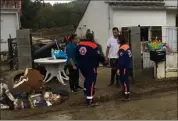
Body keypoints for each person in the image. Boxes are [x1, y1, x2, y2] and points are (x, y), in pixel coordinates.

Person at [75, 32, 106, 106]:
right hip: (91, 66)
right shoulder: (94, 46)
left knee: (87, 79)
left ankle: (86, 92)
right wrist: (104, 62)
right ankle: (90, 100)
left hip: (82, 67)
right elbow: (98, 56)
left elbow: (76, 56)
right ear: (92, 38)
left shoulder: (79, 45)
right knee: (91, 82)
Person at [116, 34, 132, 100]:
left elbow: (121, 61)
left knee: (124, 80)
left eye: (118, 39)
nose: (117, 40)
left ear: (120, 40)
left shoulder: (122, 49)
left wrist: (119, 69)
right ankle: (127, 92)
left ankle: (126, 95)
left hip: (124, 67)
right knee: (125, 80)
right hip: (128, 65)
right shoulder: (127, 46)